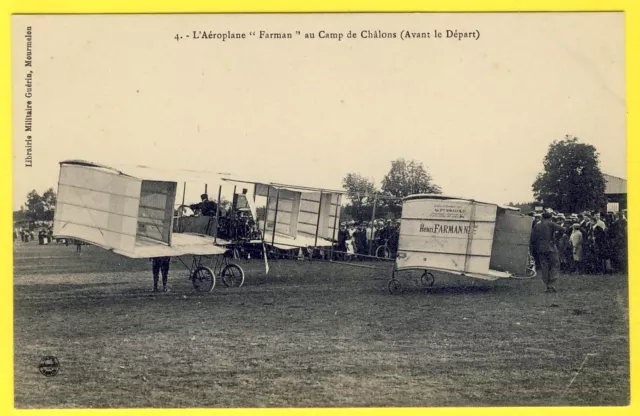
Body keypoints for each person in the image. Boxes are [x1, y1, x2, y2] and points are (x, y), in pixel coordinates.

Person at [530, 211, 566, 292]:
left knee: (544, 266)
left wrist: (536, 246)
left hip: (540, 248)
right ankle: (551, 283)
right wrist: (557, 238)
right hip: (551, 247)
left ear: (542, 217)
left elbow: (532, 238)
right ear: (550, 218)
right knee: (555, 264)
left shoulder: (537, 226)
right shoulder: (551, 224)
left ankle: (547, 285)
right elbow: (563, 229)